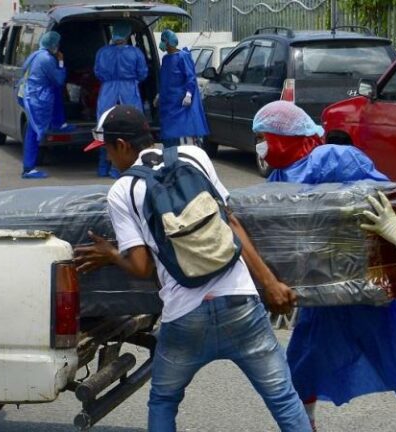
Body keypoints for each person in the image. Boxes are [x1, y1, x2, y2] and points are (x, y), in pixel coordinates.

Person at [74, 105, 311, 432]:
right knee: (284, 399)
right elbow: (231, 222)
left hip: (185, 318)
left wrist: (111, 254)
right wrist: (269, 284)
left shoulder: (123, 191)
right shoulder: (193, 156)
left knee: (163, 401)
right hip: (241, 305)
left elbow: (142, 267)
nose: (108, 159)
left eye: (108, 151)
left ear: (123, 145)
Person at [252, 101, 396, 432]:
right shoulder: (281, 174)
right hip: (323, 292)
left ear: (283, 135)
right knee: (305, 365)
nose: (261, 145)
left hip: (366, 284)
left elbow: (385, 193)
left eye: (263, 136)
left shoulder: (334, 158)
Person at [93, 22, 148, 179]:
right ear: (127, 35)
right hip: (129, 90)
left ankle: (103, 167)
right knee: (128, 128)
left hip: (107, 91)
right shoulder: (135, 53)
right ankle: (121, 168)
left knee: (105, 127)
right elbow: (143, 73)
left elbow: (97, 71)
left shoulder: (102, 52)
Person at [18, 31, 71, 179]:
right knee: (33, 131)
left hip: (30, 94)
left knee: (32, 129)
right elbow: (59, 79)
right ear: (53, 45)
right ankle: (28, 168)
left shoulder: (35, 55)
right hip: (37, 97)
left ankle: (29, 166)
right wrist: (61, 62)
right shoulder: (47, 59)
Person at [156, 29, 209, 148]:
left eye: (163, 41)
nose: (162, 44)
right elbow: (165, 80)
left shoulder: (183, 57)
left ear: (169, 43)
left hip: (180, 103)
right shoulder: (165, 59)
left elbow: (190, 77)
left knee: (181, 132)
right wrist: (160, 95)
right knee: (168, 135)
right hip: (167, 103)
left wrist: (188, 94)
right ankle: (170, 157)